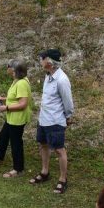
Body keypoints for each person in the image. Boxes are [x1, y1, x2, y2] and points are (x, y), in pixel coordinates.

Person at [32, 49, 74, 193]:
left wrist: (68, 117)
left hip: (55, 120)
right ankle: (45, 172)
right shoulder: (48, 76)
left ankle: (63, 179)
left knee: (59, 149)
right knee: (43, 144)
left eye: (42, 59)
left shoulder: (62, 80)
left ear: (49, 62)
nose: (40, 62)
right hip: (44, 119)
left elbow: (68, 102)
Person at [0, 60, 31, 178]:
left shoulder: (21, 83)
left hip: (17, 118)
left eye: (8, 67)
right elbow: (16, 98)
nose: (7, 68)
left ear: (14, 70)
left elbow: (23, 104)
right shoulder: (17, 81)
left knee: (16, 143)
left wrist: (6, 107)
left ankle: (18, 168)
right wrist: (5, 98)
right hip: (12, 117)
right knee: (4, 135)